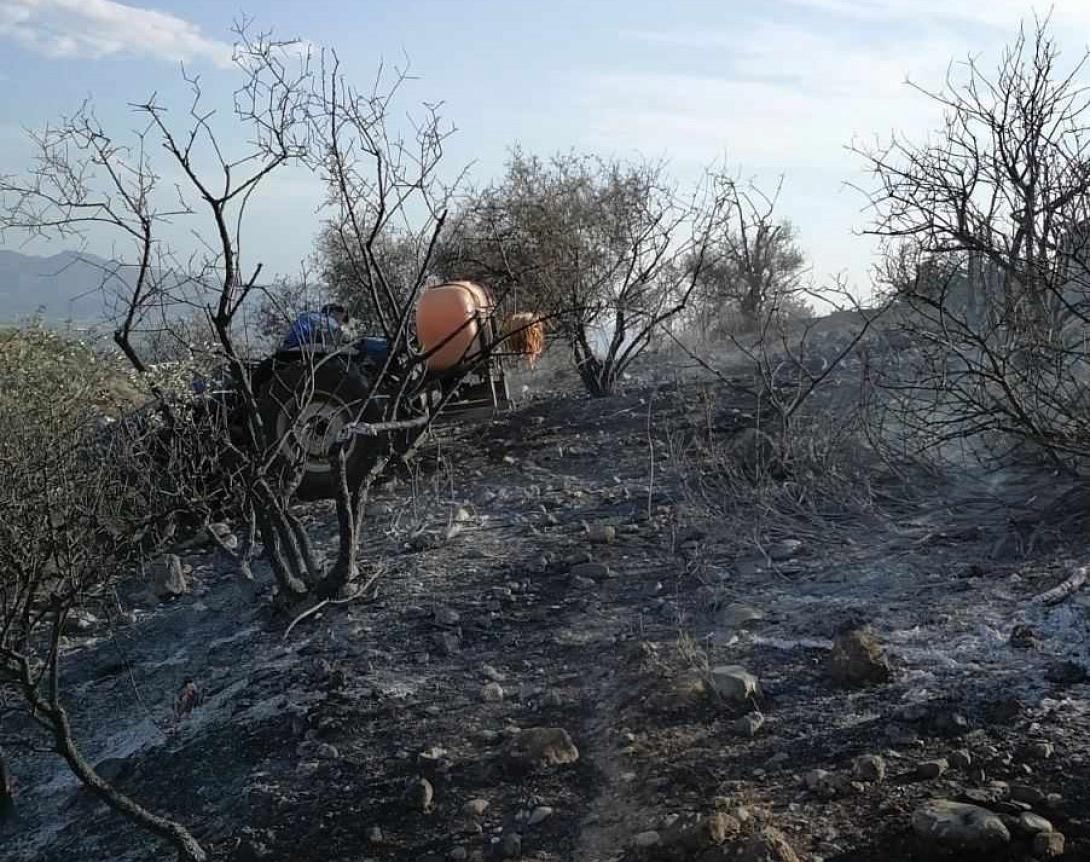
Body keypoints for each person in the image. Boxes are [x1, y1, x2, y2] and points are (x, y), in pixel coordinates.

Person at [279, 303, 350, 352]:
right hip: (302, 345)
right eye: (343, 319)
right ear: (336, 313)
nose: (341, 323)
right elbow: (331, 344)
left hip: (289, 344)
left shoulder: (307, 315)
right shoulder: (331, 322)